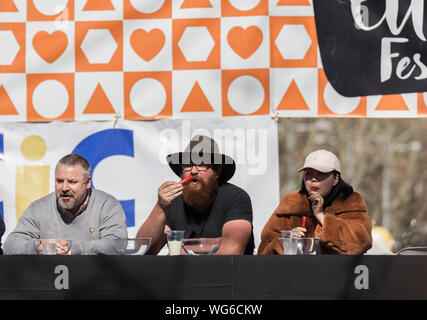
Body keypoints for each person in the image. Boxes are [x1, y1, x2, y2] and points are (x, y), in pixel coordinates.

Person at [136, 135, 255, 255]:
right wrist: (160, 207)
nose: (193, 171)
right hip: (184, 273)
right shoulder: (174, 201)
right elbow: (143, 251)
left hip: (228, 273)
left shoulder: (235, 198)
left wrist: (181, 256)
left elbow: (229, 255)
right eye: (188, 165)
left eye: (202, 164)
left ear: (217, 171)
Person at [3, 154, 127, 255]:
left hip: (94, 281)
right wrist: (38, 246)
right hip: (47, 280)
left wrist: (73, 247)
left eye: (72, 182)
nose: (64, 188)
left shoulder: (107, 205)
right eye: (59, 181)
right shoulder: (38, 208)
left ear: (88, 182)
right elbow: (10, 245)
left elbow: (117, 244)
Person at [258, 149, 372, 255]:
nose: (313, 179)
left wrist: (321, 216)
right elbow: (263, 251)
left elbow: (361, 242)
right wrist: (284, 242)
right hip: (297, 274)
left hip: (338, 274)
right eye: (308, 173)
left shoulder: (350, 201)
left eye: (321, 174)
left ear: (335, 179)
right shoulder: (291, 203)